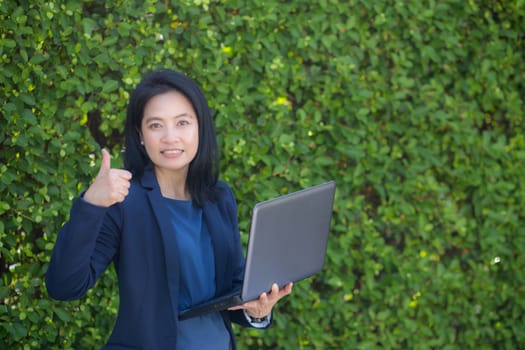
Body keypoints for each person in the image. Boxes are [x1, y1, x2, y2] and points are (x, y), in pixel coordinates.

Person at [45, 68, 293, 349]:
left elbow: (233, 287)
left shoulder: (219, 196)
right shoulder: (124, 201)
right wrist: (91, 204)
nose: (170, 137)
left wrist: (257, 311)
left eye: (182, 122)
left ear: (200, 126)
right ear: (140, 134)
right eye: (155, 125)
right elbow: (64, 286)